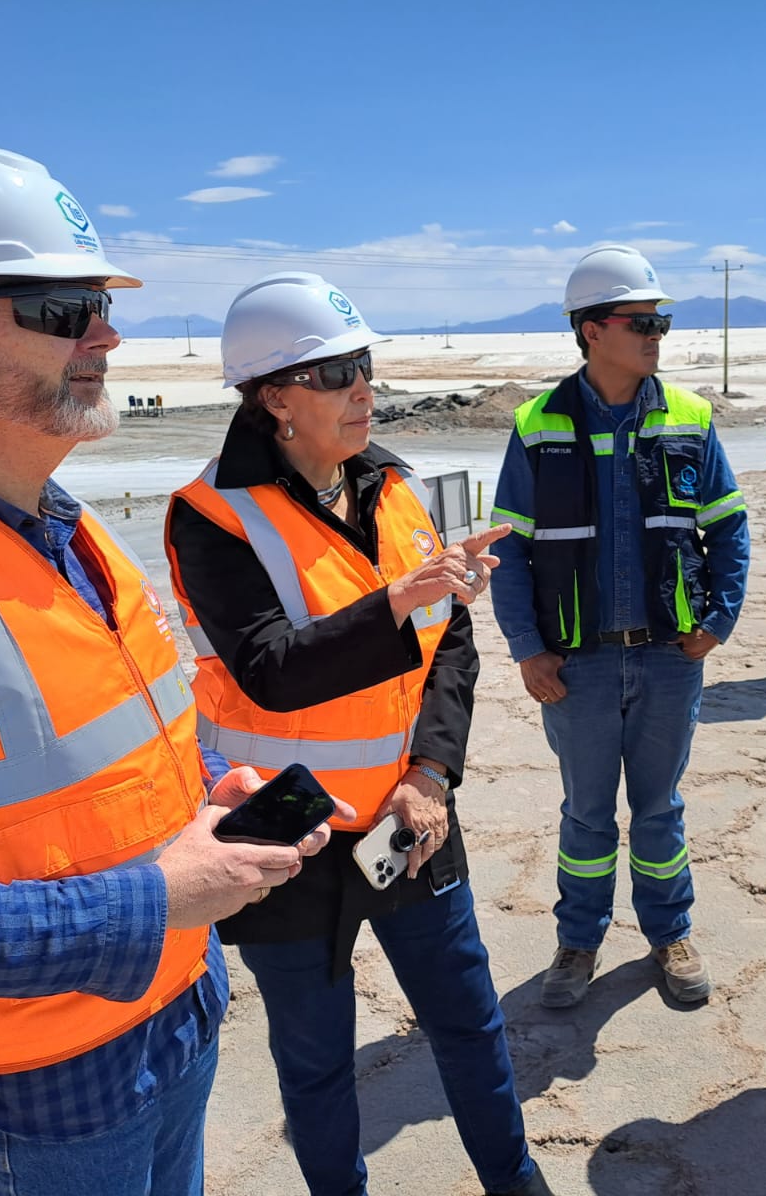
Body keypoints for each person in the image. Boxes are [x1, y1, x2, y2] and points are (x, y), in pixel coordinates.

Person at [0, 145, 328, 1195]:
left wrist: (208, 801)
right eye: (64, 309)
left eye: (101, 306)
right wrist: (158, 898)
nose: (107, 335)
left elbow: (100, 754)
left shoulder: (71, 533)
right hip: (48, 1094)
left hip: (176, 1017)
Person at [165, 272, 551, 1196]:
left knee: (469, 1023)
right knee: (316, 1061)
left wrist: (433, 770)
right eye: (336, 374)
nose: (364, 391)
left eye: (366, 367)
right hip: (282, 816)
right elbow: (269, 669)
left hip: (406, 808)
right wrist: (397, 601)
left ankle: (516, 1182)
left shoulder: (394, 485)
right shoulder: (211, 516)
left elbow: (450, 645)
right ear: (274, 398)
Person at [488, 244, 749, 1009]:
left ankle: (670, 933)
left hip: (670, 657)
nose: (657, 335)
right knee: (586, 815)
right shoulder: (538, 424)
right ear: (592, 329)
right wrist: (528, 649)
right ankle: (579, 941)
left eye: (661, 321)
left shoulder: (690, 416)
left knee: (660, 810)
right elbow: (509, 547)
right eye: (643, 322)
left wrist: (719, 619)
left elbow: (729, 528)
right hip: (579, 666)